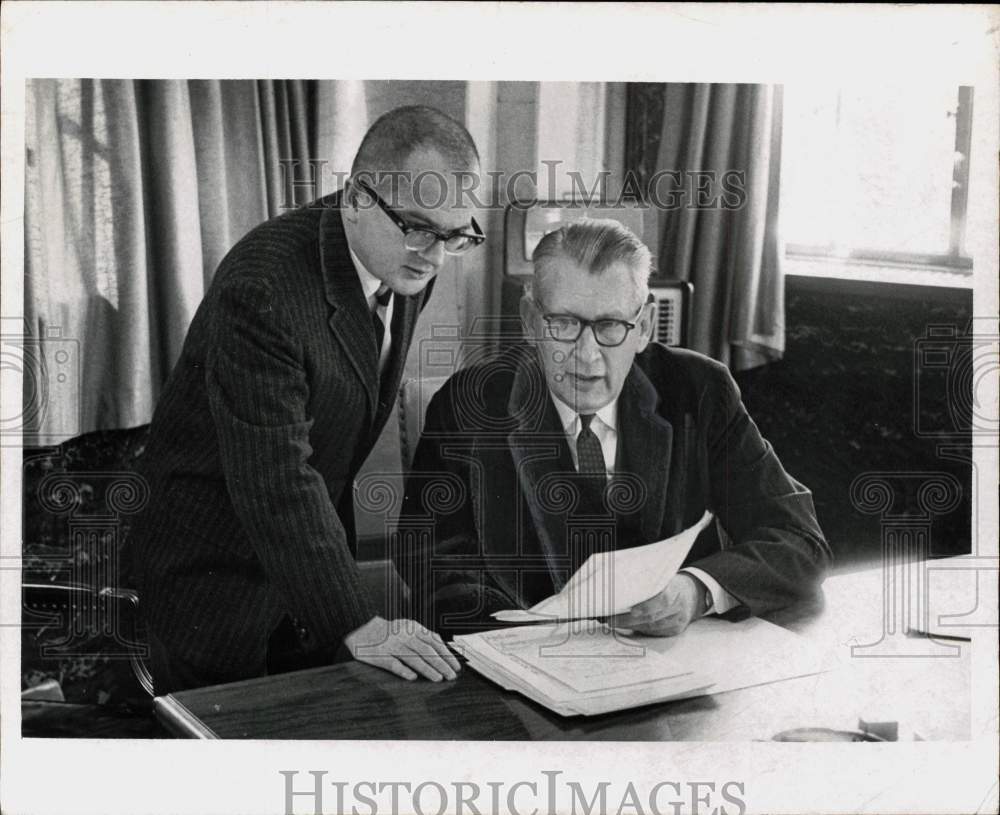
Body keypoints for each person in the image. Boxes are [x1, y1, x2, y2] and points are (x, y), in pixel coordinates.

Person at [131, 106, 482, 692]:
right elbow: (275, 475)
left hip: (301, 573)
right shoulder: (263, 288)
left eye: (455, 235)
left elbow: (335, 434)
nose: (436, 255)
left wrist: (337, 606)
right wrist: (358, 620)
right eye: (420, 228)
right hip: (210, 574)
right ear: (357, 197)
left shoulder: (408, 257)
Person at [395, 218, 830, 638]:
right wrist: (527, 635)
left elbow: (798, 540)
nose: (587, 355)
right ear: (529, 321)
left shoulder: (700, 390)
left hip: (674, 662)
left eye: (610, 326)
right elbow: (427, 562)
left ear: (644, 327)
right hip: (525, 664)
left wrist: (695, 592)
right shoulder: (468, 404)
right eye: (563, 324)